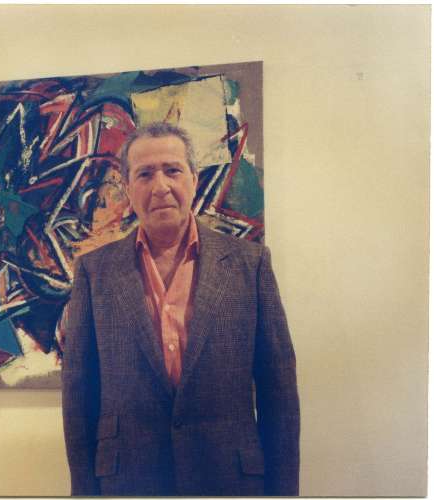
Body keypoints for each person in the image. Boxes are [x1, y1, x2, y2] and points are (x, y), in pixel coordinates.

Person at [60, 122, 299, 496]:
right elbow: (79, 397)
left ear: (194, 179)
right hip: (128, 482)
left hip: (230, 480)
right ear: (128, 188)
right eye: (145, 174)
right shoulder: (95, 272)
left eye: (172, 170)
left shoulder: (249, 264)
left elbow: (278, 391)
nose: (160, 186)